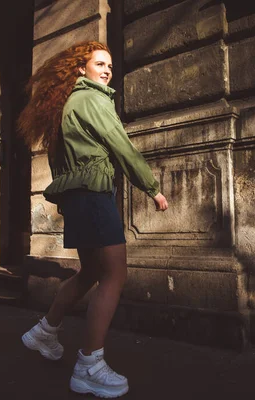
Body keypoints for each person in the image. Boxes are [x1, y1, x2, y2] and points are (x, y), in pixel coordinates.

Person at [17, 41, 168, 398]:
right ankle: (89, 365)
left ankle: (45, 331)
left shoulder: (66, 106)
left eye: (110, 67)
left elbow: (62, 164)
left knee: (88, 272)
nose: (106, 70)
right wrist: (153, 187)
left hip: (78, 198)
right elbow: (121, 144)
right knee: (115, 274)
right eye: (99, 63)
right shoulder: (93, 99)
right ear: (80, 68)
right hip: (95, 196)